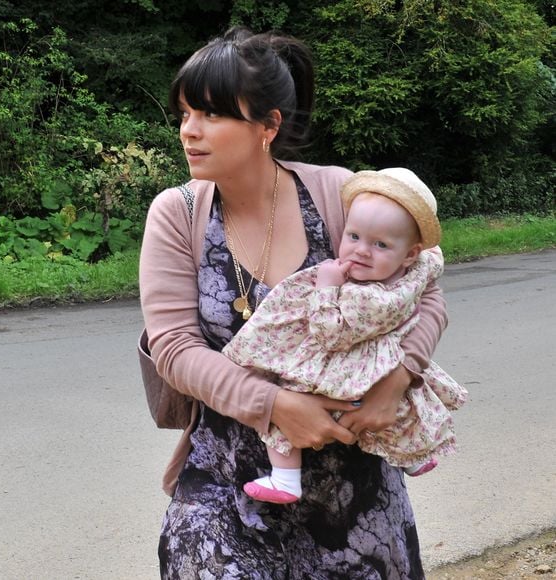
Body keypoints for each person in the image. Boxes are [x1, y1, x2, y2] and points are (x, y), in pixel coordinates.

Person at [139, 25, 448, 579]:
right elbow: (174, 347)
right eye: (185, 114)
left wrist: (398, 379)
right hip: (227, 475)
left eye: (211, 115)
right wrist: (276, 407)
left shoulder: (338, 192)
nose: (190, 131)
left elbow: (424, 294)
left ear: (268, 126)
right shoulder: (177, 213)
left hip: (352, 480)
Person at [223, 167, 468, 504]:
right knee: (404, 410)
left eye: (380, 244)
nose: (362, 251)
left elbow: (330, 335)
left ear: (411, 253)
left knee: (292, 393)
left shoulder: (369, 297)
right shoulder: (411, 273)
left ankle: (285, 478)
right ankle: (415, 456)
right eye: (353, 237)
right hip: (370, 367)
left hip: (348, 371)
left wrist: (326, 288)